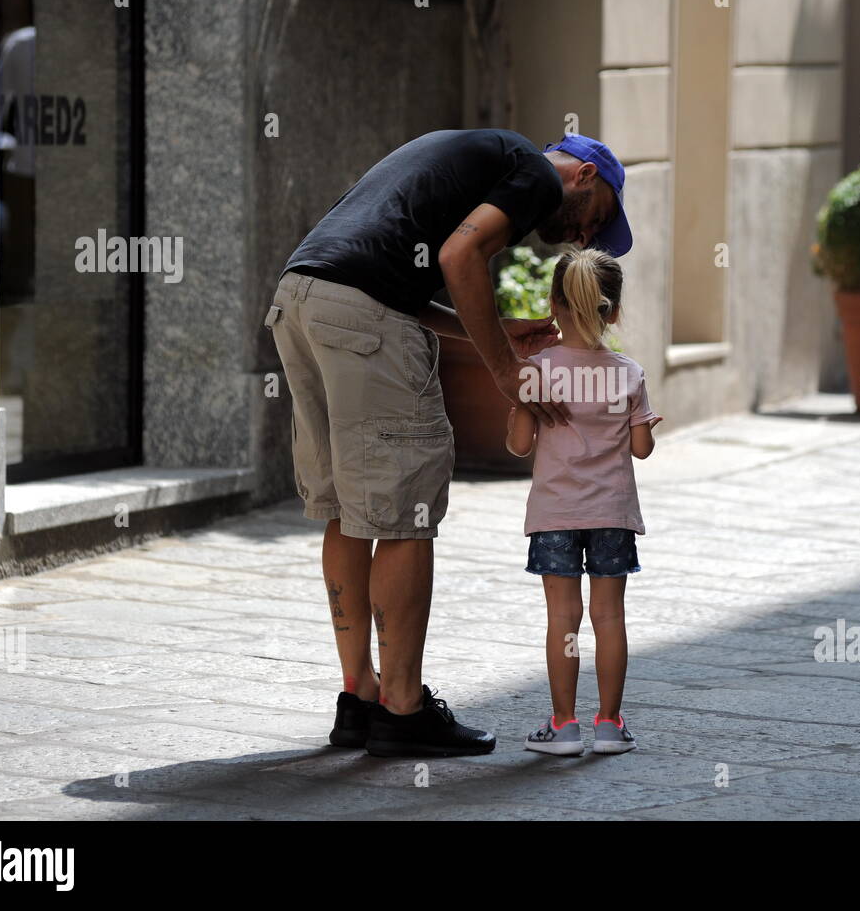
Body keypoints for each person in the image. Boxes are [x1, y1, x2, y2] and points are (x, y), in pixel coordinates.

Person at [265, 130, 632, 756]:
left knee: (347, 512)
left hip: (301, 300)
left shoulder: (470, 157)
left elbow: (400, 287)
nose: (585, 238)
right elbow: (460, 257)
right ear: (585, 178)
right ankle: (403, 709)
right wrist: (504, 373)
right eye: (598, 222)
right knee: (405, 516)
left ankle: (360, 696)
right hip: (358, 313)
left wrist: (491, 334)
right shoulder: (538, 176)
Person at [504, 248, 662, 756]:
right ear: (612, 310)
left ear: (553, 303)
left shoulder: (536, 370)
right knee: (609, 618)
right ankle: (610, 725)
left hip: (556, 514)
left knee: (563, 620)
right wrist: (646, 428)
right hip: (612, 514)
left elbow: (518, 445)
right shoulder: (629, 373)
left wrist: (518, 406)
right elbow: (641, 450)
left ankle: (564, 725)